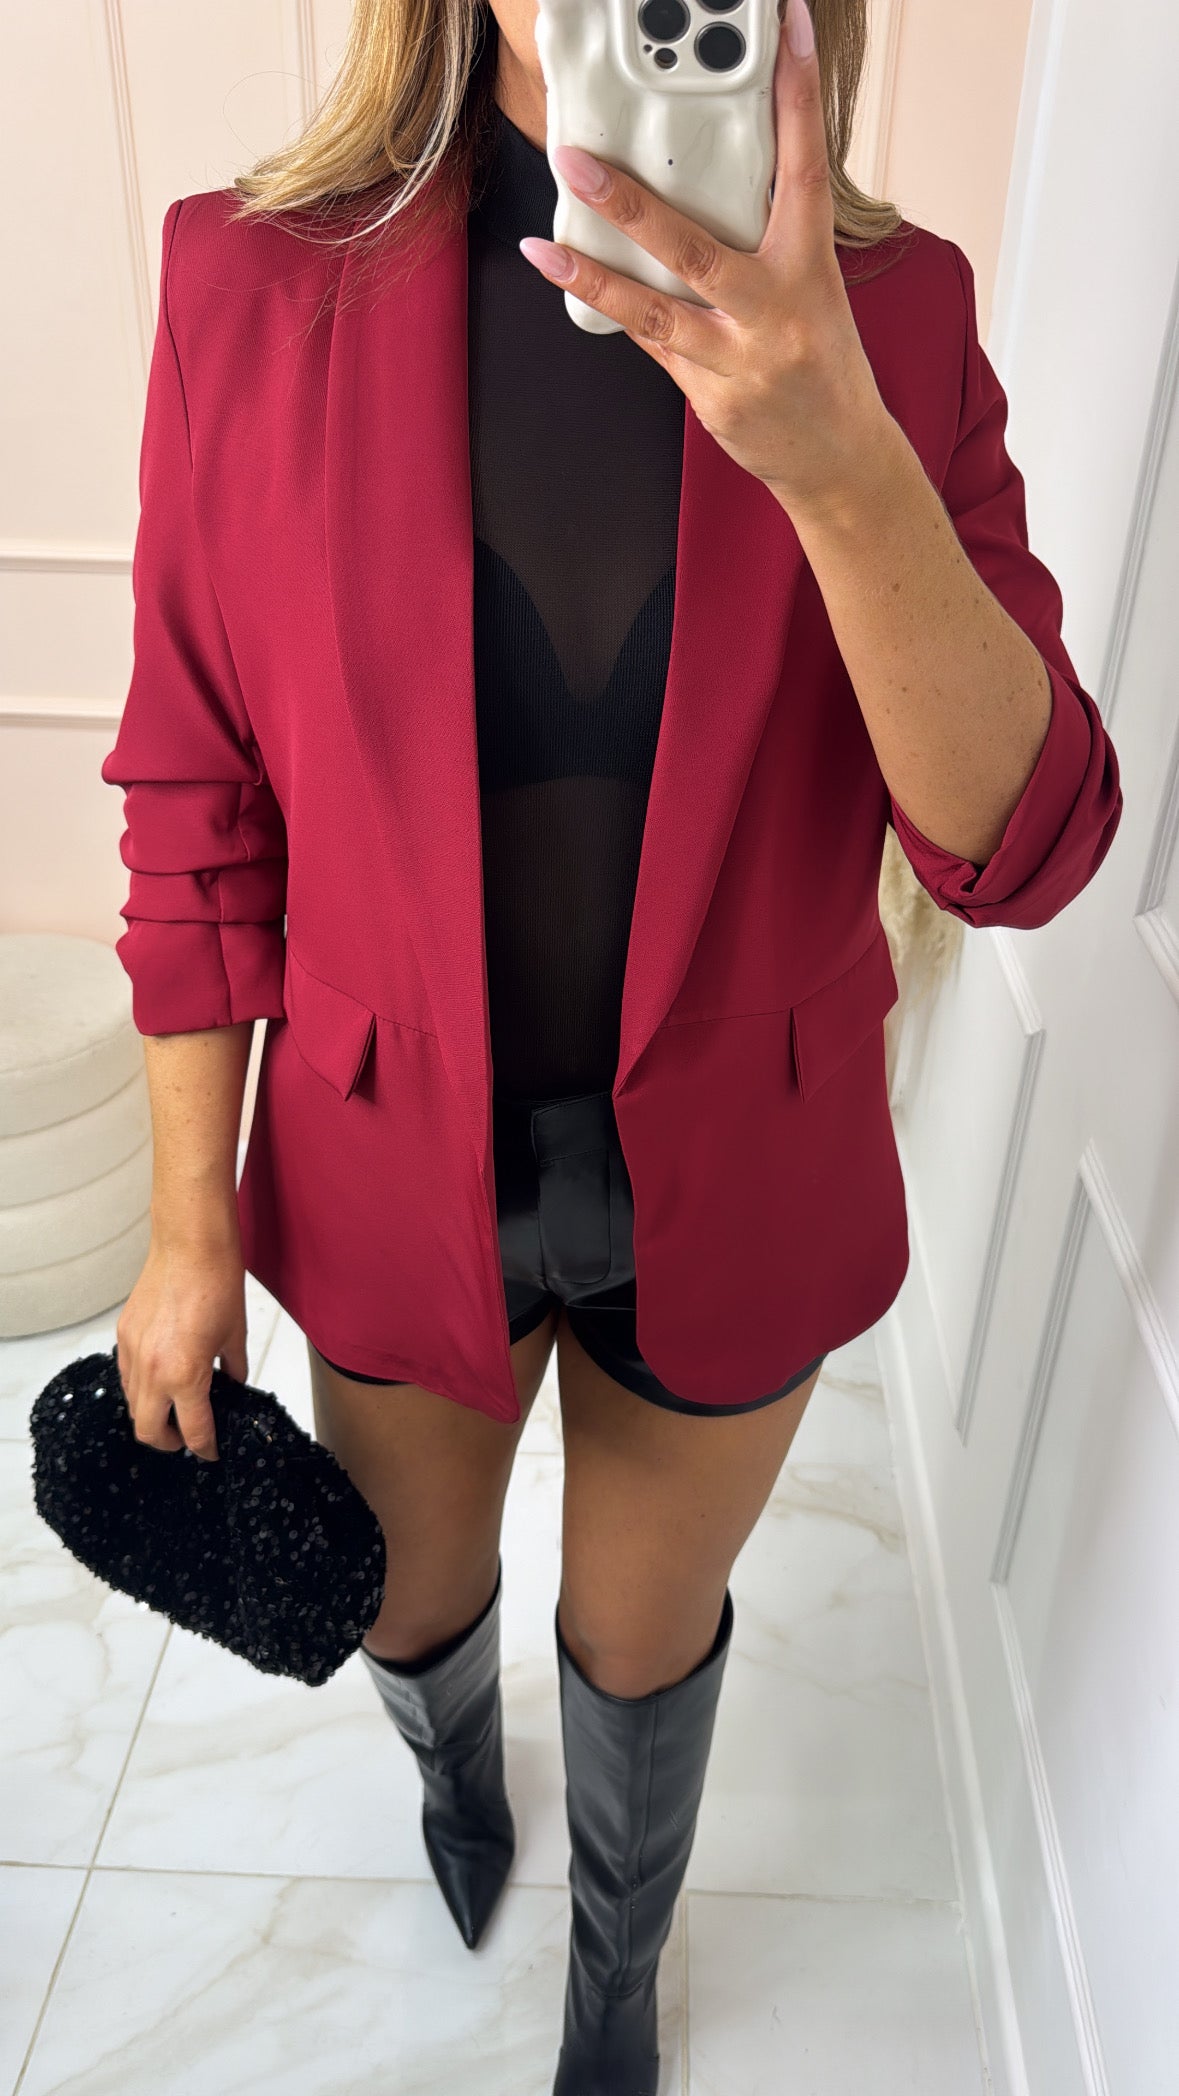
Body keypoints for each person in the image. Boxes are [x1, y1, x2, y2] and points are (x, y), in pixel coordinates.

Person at [100, 2, 1122, 2090]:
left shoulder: (897, 318)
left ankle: (615, 1970)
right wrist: (187, 1224)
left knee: (642, 1650)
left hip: (740, 1172)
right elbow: (198, 793)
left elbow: (1022, 848)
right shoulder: (248, 281)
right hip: (388, 1158)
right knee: (409, 1602)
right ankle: (452, 1786)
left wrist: (837, 454)